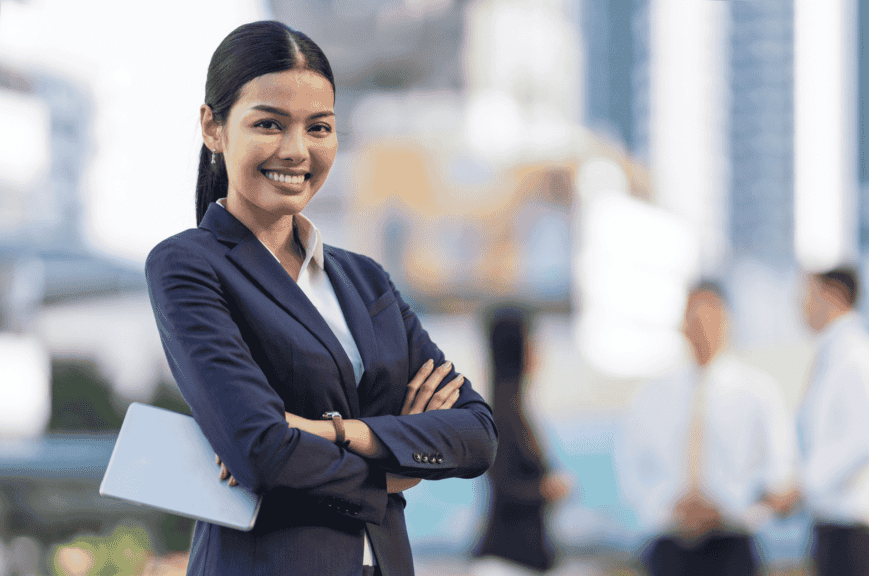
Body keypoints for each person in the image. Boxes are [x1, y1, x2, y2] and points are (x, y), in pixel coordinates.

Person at [145, 21, 498, 576]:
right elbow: (262, 450)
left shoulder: (366, 281)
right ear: (213, 128)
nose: (296, 151)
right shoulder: (189, 266)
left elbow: (477, 434)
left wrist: (333, 432)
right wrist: (398, 468)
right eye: (269, 124)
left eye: (319, 128)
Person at [617, 282, 797, 576]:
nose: (702, 329)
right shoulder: (651, 396)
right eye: (694, 319)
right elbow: (631, 468)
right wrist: (670, 506)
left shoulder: (758, 393)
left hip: (733, 542)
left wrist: (729, 508)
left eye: (710, 319)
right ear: (682, 325)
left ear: (728, 324)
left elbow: (779, 471)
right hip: (669, 543)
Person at [794, 267, 869, 576]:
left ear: (832, 295)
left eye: (807, 295)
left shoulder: (859, 356)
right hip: (834, 530)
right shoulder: (833, 355)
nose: (801, 306)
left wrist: (805, 484)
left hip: (855, 533)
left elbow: (868, 439)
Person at [472, 305, 571, 576]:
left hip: (520, 561)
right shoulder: (504, 415)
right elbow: (503, 485)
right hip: (508, 562)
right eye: (532, 341)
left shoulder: (513, 409)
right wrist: (546, 490)